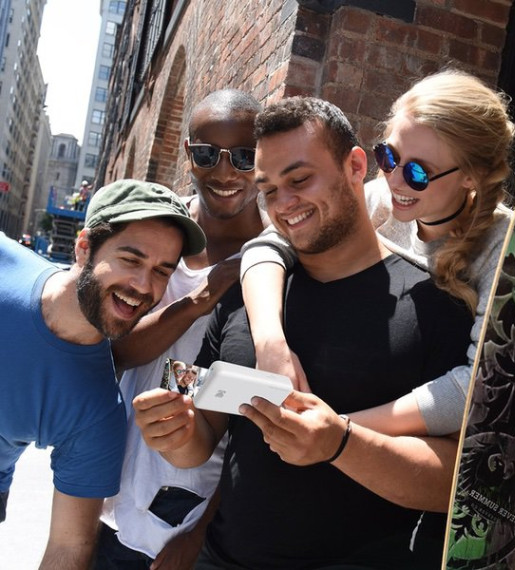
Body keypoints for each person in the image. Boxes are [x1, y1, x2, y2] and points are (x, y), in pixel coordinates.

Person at [133, 97, 474, 569]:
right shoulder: (248, 295)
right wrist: (176, 434)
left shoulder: (434, 304)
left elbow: (457, 483)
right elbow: (206, 438)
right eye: (269, 190)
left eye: (299, 180)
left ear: (356, 167)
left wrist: (340, 444)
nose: (283, 204)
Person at [240, 69, 515, 436]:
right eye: (389, 157)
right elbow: (267, 245)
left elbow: (478, 387)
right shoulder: (380, 200)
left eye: (418, 172)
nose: (394, 180)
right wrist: (271, 343)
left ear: (471, 175)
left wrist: (337, 431)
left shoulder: (506, 249)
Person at [94, 89, 265, 569]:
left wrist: (205, 529)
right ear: (189, 153)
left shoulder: (275, 260)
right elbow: (117, 349)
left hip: (179, 520)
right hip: (100, 492)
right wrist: (201, 299)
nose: (226, 172)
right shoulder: (157, 232)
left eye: (245, 156)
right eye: (208, 154)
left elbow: (256, 414)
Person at [0, 178, 205, 569]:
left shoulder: (98, 412)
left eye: (162, 271)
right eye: (131, 260)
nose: (143, 285)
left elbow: (69, 546)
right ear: (84, 248)